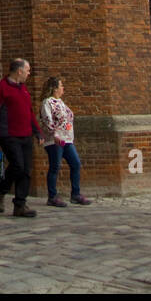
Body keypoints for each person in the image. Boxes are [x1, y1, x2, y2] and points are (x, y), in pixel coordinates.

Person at [0, 57, 43, 218]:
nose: (29, 73)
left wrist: (37, 132)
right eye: (27, 70)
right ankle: (0, 190)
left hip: (25, 135)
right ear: (19, 71)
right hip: (8, 135)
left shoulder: (23, 89)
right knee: (17, 165)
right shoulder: (1, 88)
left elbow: (29, 113)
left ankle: (20, 204)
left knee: (26, 170)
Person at [39, 76, 92, 207]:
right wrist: (54, 134)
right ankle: (52, 196)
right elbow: (47, 120)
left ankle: (76, 194)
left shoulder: (61, 102)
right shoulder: (48, 102)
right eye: (61, 86)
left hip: (67, 139)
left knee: (76, 163)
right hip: (54, 140)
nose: (63, 88)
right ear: (55, 88)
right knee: (55, 166)